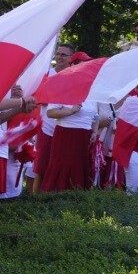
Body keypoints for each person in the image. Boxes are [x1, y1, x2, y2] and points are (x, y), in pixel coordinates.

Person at [41, 51, 99, 193]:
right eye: (84, 65)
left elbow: (96, 115)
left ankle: (75, 205)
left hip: (84, 137)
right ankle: (55, 201)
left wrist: (95, 131)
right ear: (74, 67)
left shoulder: (92, 89)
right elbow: (50, 112)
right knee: (62, 169)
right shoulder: (63, 86)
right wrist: (70, 111)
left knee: (80, 169)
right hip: (66, 135)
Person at [30, 43, 73, 191]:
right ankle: (35, 199)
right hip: (46, 127)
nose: (60, 57)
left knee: (58, 167)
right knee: (41, 166)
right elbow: (37, 99)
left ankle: (51, 198)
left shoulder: (73, 77)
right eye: (58, 54)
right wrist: (57, 100)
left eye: (64, 55)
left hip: (66, 128)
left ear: (70, 58)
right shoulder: (47, 75)